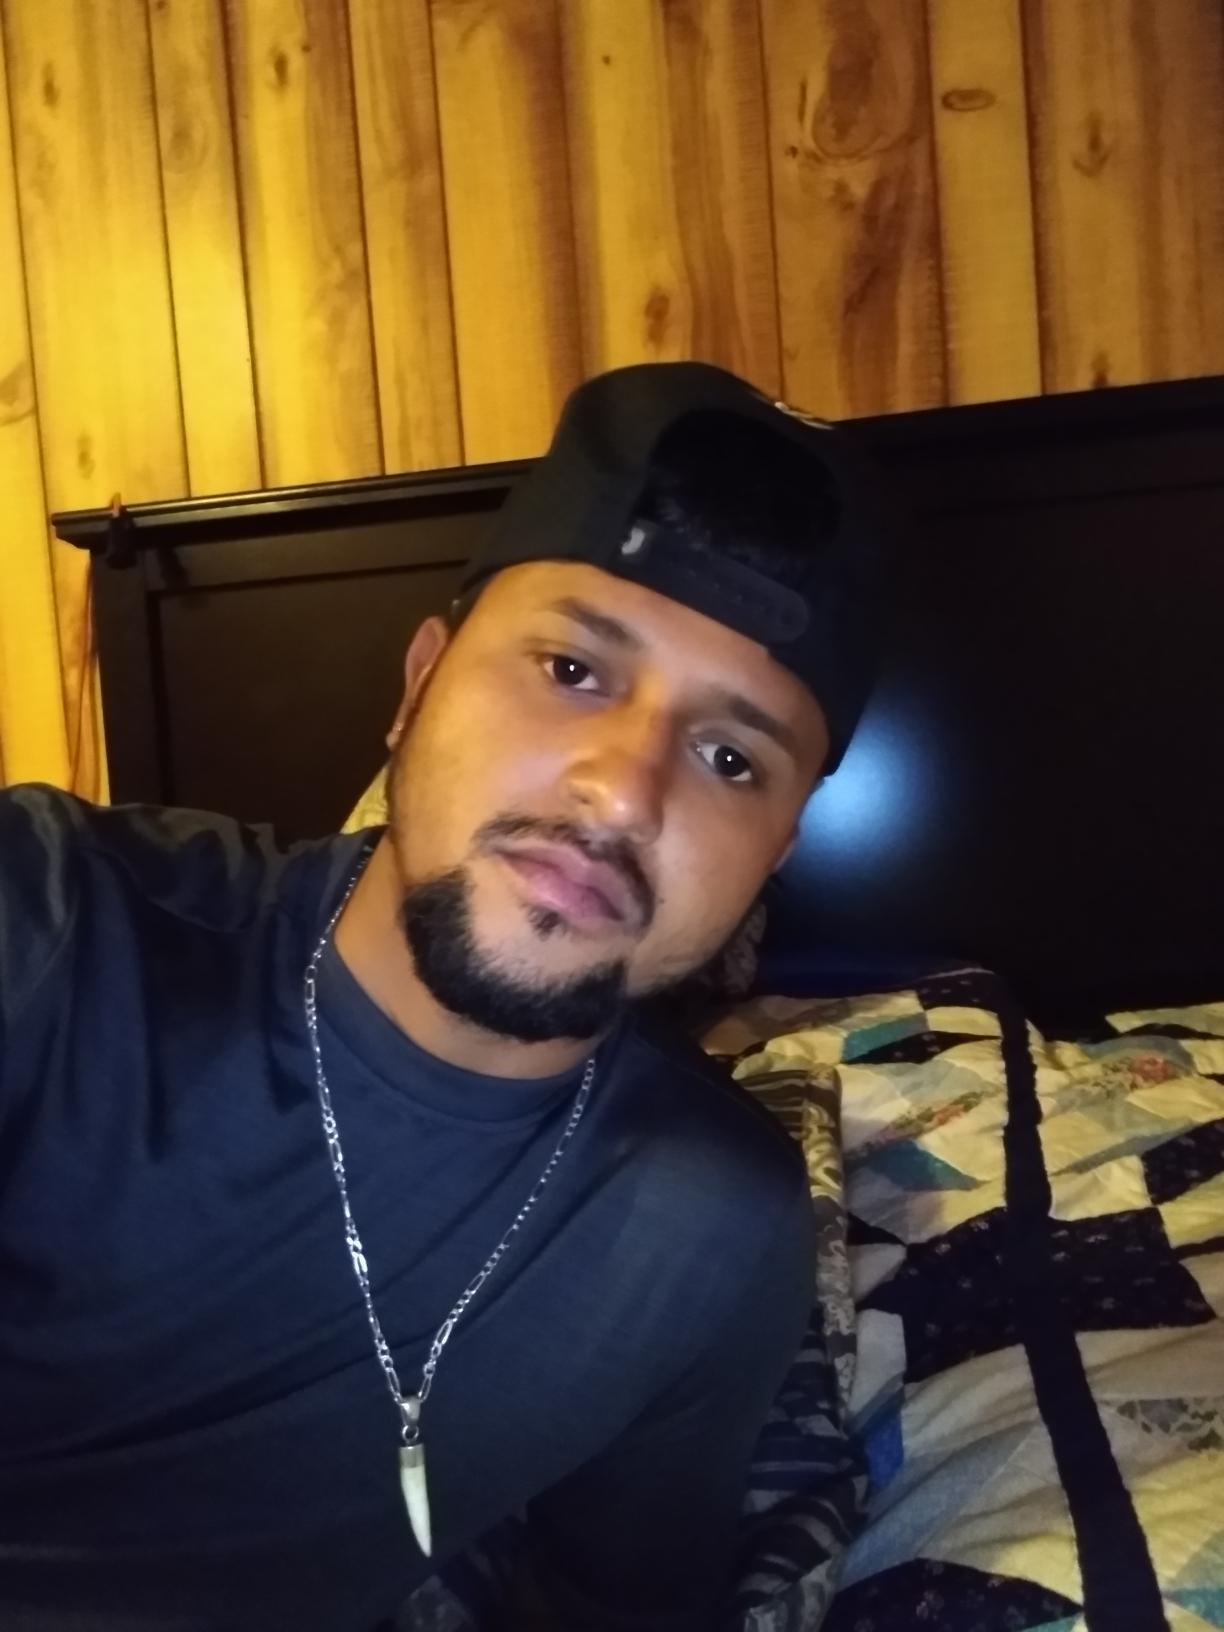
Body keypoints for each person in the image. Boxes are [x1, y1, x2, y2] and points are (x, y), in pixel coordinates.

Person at [0, 362, 883, 1631]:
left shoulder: (711, 1231)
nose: (623, 790)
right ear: (419, 685)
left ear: (775, 852)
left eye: (731, 757)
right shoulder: (52, 926)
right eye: (572, 668)